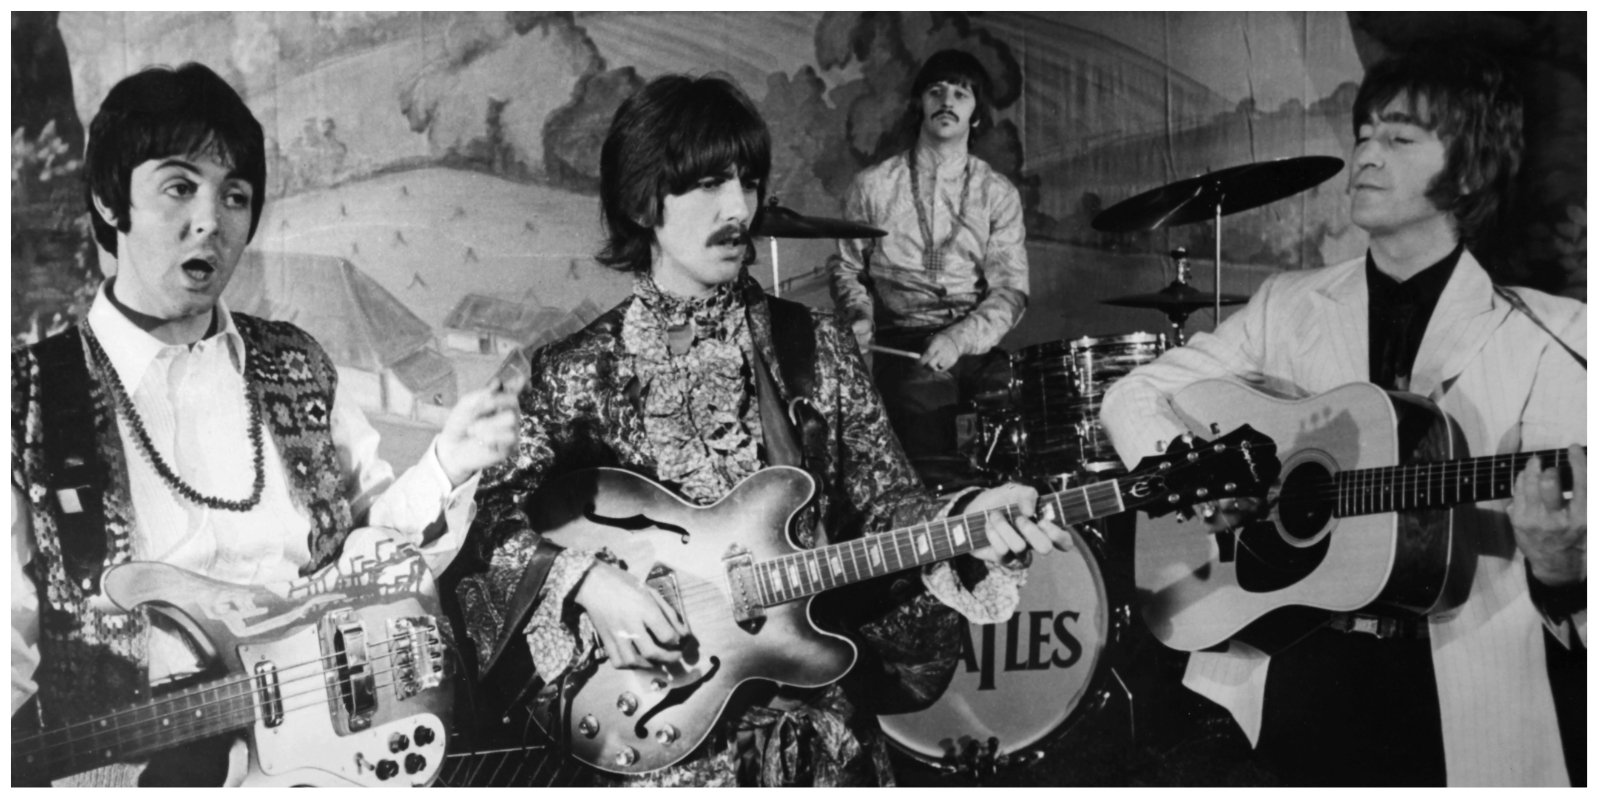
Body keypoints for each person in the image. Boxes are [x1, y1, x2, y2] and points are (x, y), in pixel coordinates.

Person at [450, 73, 1072, 787]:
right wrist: (589, 582)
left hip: (815, 737)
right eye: (710, 183)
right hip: (658, 742)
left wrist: (966, 520)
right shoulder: (574, 372)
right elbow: (489, 521)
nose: (739, 207)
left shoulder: (812, 348)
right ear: (643, 198)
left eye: (748, 182)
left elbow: (888, 502)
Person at [10, 62, 523, 786]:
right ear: (108, 198)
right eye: (179, 187)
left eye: (236, 196)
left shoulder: (296, 364)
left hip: (330, 766)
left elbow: (372, 560)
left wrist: (446, 464)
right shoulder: (25, 402)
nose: (211, 221)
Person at [1099, 49, 1585, 786]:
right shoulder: (1289, 304)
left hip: (1458, 681)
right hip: (1297, 667)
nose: (1364, 154)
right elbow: (1131, 396)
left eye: (1399, 138)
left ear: (1470, 167)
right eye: (1363, 134)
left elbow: (1574, 548)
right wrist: (1205, 482)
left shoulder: (1554, 333)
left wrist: (1559, 564)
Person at [827, 49, 1029, 472]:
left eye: (961, 93)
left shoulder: (998, 193)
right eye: (936, 90)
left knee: (1023, 405)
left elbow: (1011, 290)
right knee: (924, 410)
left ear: (976, 116)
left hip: (974, 344)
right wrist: (858, 316)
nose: (947, 101)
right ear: (918, 102)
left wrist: (960, 338)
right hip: (902, 345)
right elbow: (847, 269)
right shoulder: (873, 186)